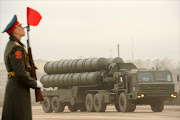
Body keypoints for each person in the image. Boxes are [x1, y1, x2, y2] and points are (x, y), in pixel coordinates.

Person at [1, 15, 43, 120]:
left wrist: (30, 65)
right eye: (20, 27)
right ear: (15, 31)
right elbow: (20, 73)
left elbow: (19, 67)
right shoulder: (16, 48)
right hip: (18, 89)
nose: (23, 28)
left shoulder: (13, 45)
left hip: (16, 87)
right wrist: (34, 83)